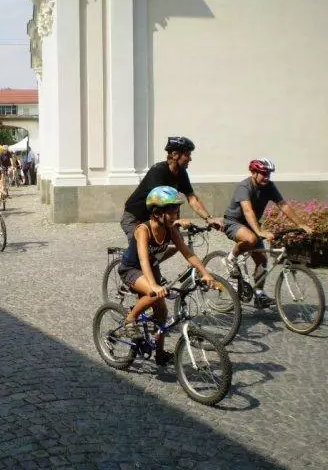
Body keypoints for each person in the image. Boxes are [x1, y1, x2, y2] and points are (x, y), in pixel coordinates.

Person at [118, 186, 215, 365]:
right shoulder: (143, 230)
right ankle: (130, 319)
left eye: (176, 211)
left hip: (151, 269)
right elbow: (143, 259)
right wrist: (153, 286)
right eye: (171, 212)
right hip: (131, 268)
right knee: (153, 293)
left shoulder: (170, 230)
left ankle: (160, 353)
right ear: (157, 213)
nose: (175, 216)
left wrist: (206, 273)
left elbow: (188, 253)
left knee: (162, 312)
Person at [221, 158, 313, 307]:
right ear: (254, 172)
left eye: (269, 174)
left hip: (251, 225)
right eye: (263, 174)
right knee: (251, 239)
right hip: (233, 222)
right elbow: (247, 210)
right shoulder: (244, 187)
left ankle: (259, 295)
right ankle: (230, 258)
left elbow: (283, 205)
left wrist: (300, 224)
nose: (267, 177)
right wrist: (259, 231)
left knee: (262, 261)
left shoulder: (269, 186)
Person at [121, 136, 224, 260]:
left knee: (176, 245)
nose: (190, 159)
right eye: (187, 155)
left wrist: (209, 218)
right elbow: (159, 203)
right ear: (175, 155)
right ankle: (128, 267)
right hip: (135, 217)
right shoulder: (158, 171)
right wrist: (176, 221)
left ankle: (153, 266)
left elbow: (192, 198)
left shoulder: (181, 173)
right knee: (142, 253)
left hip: (157, 217)